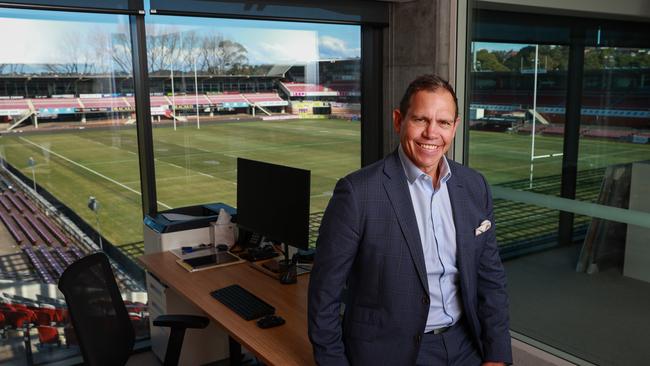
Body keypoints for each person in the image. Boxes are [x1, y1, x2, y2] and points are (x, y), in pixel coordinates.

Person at [308, 74, 511, 366]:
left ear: (454, 127)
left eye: (443, 123)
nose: (432, 133)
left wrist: (497, 355)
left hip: (465, 344)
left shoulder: (475, 186)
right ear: (398, 120)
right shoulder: (357, 193)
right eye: (420, 119)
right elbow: (323, 296)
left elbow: (491, 280)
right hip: (389, 352)